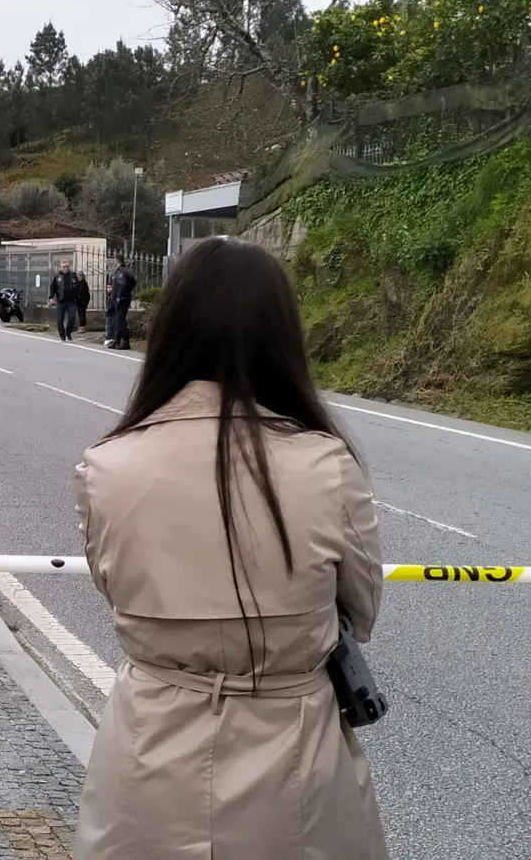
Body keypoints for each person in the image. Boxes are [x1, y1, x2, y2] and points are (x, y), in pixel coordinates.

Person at [73, 237, 386, 860]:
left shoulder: (107, 466)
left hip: (149, 751)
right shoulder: (327, 465)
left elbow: (118, 588)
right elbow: (362, 609)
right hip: (296, 757)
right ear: (281, 337)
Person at [108, 257, 137, 350]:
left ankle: (125, 342)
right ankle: (117, 341)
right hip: (121, 298)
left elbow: (123, 284)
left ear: (117, 261)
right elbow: (133, 282)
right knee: (119, 320)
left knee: (120, 320)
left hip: (121, 299)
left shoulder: (121, 272)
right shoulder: (124, 270)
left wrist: (119, 296)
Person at [47, 258, 79, 342]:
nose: (66, 268)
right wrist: (51, 298)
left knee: (72, 318)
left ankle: (68, 332)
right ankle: (62, 337)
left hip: (71, 301)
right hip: (61, 301)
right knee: (59, 320)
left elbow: (78, 286)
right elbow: (52, 288)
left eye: (68, 266)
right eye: (64, 266)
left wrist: (77, 296)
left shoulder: (73, 275)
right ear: (61, 267)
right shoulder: (57, 276)